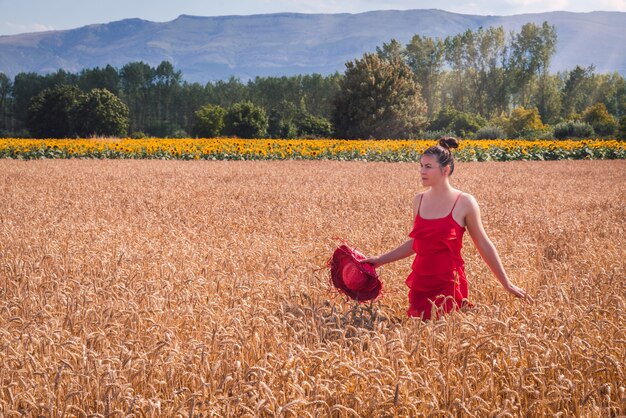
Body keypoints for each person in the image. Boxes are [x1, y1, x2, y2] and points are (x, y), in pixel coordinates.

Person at [363, 137, 532, 320]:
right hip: (421, 283)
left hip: (449, 284)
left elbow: (483, 243)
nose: (422, 171)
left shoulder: (465, 202)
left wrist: (507, 283)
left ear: (446, 170)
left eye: (428, 167)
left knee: (447, 336)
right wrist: (380, 260)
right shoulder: (418, 201)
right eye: (421, 166)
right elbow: (417, 243)